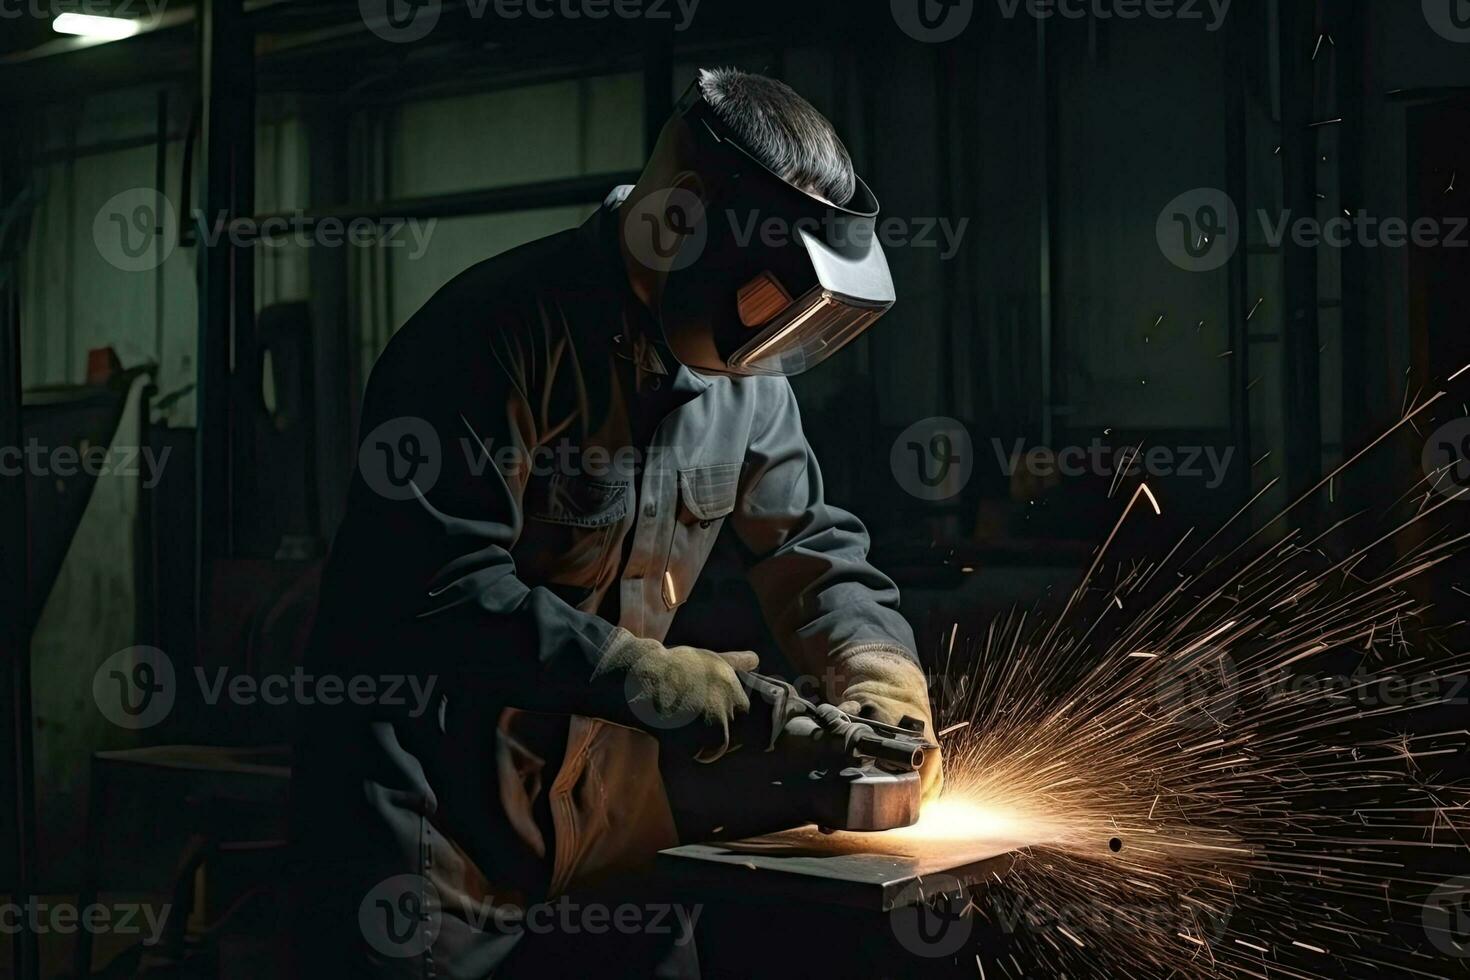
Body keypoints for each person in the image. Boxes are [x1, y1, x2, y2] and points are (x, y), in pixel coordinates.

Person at [291, 67, 941, 978]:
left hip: (607, 823)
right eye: (759, 294)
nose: (767, 340)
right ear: (679, 223)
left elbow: (808, 542)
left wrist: (878, 669)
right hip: (436, 832)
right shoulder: (488, 338)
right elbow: (437, 592)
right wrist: (638, 671)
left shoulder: (744, 378)